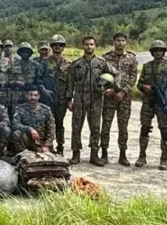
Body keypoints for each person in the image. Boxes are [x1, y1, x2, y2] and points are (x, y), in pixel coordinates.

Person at [67, 35, 118, 166]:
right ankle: (75, 154)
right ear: (82, 46)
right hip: (79, 99)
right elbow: (70, 83)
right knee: (76, 127)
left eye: (91, 44)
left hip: (96, 99)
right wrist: (69, 99)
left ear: (95, 46)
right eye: (86, 44)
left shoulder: (101, 63)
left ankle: (94, 155)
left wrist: (112, 88)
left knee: (95, 127)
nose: (89, 46)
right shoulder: (76, 64)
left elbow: (116, 74)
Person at [136, 40, 167, 170]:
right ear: (152, 52)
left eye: (160, 50)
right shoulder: (147, 66)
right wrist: (145, 87)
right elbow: (139, 84)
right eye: (155, 50)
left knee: (164, 130)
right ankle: (142, 156)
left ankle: (164, 159)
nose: (158, 52)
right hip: (148, 101)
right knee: (144, 128)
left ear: (164, 52)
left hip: (163, 102)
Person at [100, 32, 138, 166]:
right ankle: (104, 154)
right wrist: (107, 90)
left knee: (123, 127)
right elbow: (102, 76)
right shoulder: (105, 57)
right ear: (113, 42)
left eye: (123, 41)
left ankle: (123, 155)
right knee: (106, 126)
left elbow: (133, 76)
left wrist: (123, 92)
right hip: (109, 97)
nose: (120, 43)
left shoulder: (131, 58)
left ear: (126, 42)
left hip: (124, 99)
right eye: (118, 40)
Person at [11, 85, 55, 154]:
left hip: (42, 142)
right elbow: (15, 124)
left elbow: (51, 129)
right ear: (26, 95)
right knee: (16, 133)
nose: (33, 97)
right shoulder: (20, 109)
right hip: (27, 141)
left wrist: (47, 145)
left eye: (35, 95)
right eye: (30, 95)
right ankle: (23, 154)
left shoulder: (46, 109)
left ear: (39, 96)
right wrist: (29, 129)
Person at [46, 35, 71, 155]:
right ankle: (48, 145)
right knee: (47, 122)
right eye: (55, 45)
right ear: (52, 47)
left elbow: (71, 83)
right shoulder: (44, 62)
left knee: (59, 123)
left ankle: (60, 146)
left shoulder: (68, 63)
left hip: (62, 98)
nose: (57, 47)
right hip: (48, 97)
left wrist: (70, 98)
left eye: (60, 45)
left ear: (63, 47)